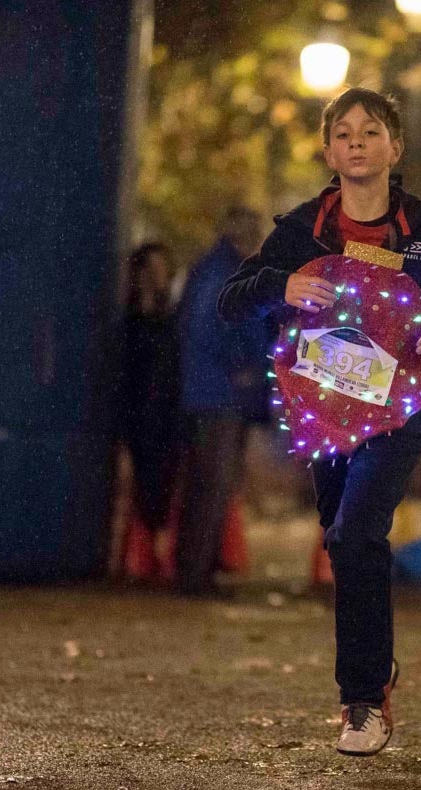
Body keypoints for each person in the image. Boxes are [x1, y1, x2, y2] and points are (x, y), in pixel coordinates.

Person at [218, 88, 421, 756]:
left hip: (400, 407)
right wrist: (280, 288)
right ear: (329, 149)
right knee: (343, 540)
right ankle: (377, 664)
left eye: (371, 131)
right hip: (323, 410)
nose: (357, 142)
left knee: (358, 530)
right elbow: (231, 302)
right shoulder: (303, 228)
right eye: (344, 133)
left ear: (395, 147)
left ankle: (362, 702)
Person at [174, 206, 273, 596]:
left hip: (214, 393)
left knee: (210, 485)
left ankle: (198, 570)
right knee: (212, 485)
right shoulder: (225, 273)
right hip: (220, 395)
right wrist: (242, 366)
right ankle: (195, 576)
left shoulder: (214, 270)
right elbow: (213, 327)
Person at [115, 242, 181, 583]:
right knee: (144, 488)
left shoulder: (169, 318)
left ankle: (150, 560)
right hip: (142, 418)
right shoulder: (132, 323)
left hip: (165, 418)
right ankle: (138, 561)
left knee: (161, 489)